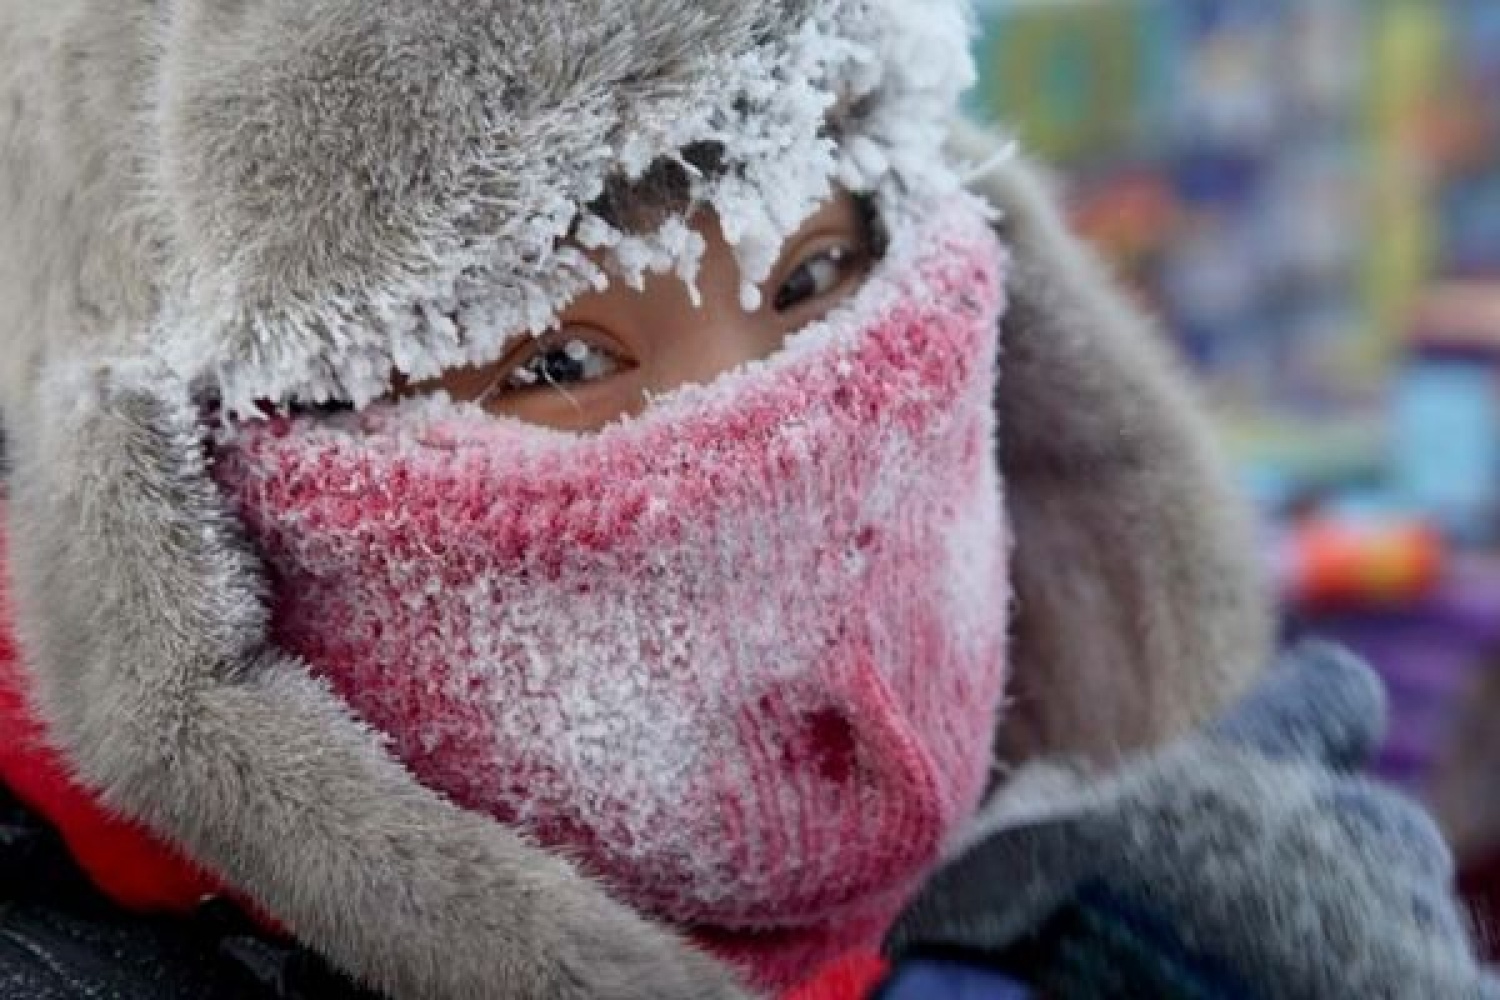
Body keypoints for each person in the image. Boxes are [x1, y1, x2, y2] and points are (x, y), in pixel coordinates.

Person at [0, 2, 1491, 998]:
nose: (772, 442)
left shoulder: (1070, 874)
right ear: (181, 511)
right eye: (564, 356)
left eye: (817, 272)